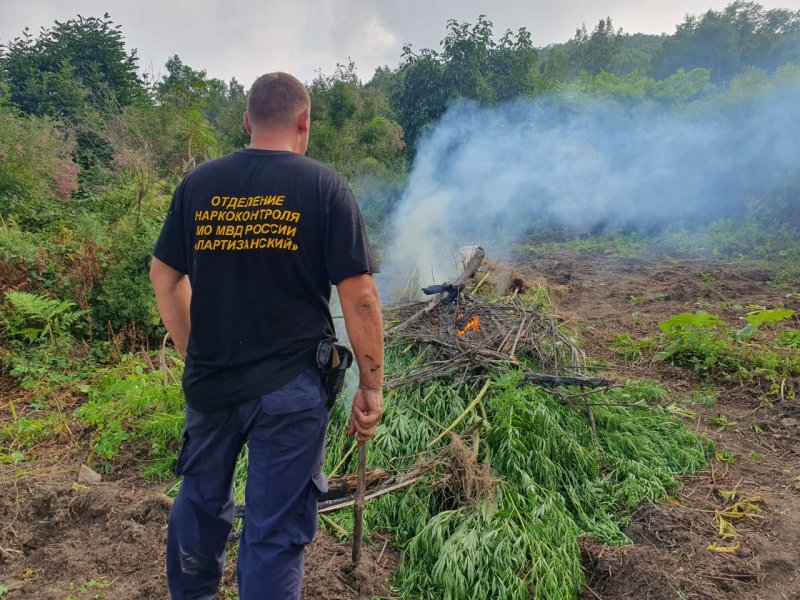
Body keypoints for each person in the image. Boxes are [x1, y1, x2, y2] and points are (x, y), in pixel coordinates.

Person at [149, 71, 384, 600]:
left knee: (201, 502)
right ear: (304, 122)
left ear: (246, 120)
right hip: (291, 391)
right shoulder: (324, 187)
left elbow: (164, 279)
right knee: (273, 532)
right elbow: (362, 297)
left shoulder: (199, 185)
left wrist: (193, 350)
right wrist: (371, 386)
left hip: (211, 385)